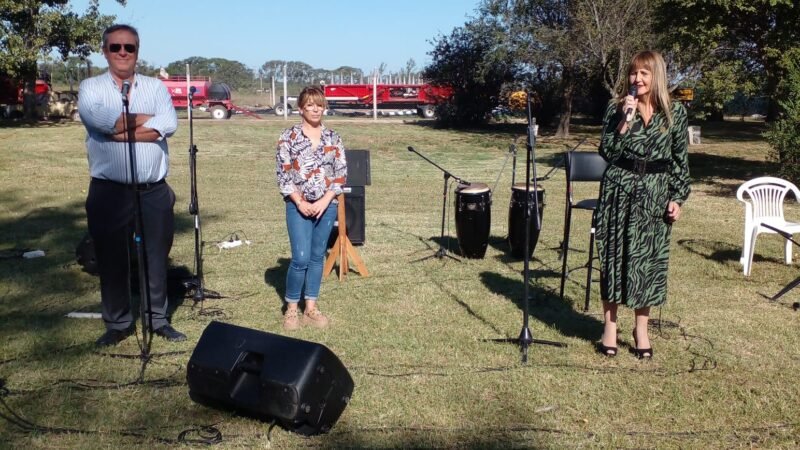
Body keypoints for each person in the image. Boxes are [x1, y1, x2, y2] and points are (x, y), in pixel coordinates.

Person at [78, 24, 185, 347]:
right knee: (112, 259)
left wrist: (120, 127)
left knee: (156, 256)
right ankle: (119, 322)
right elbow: (100, 122)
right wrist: (141, 121)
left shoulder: (156, 87)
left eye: (129, 47)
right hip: (109, 191)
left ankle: (157, 319)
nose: (123, 53)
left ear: (137, 51)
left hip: (153, 190)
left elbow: (167, 123)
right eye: (115, 47)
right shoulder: (91, 87)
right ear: (105, 51)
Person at [595, 50, 691, 359]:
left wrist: (677, 197)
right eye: (633, 73)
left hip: (655, 193)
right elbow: (608, 151)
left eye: (644, 74)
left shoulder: (674, 113)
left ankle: (641, 330)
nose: (637, 79)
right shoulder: (616, 108)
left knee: (647, 263)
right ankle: (609, 327)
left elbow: (679, 160)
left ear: (656, 76)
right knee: (614, 257)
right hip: (619, 189)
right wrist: (625, 118)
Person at [275, 87, 347, 331]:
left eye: (320, 105)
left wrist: (325, 201)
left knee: (317, 257)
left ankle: (311, 308)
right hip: (298, 206)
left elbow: (340, 175)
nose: (316, 109)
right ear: (301, 109)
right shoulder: (288, 137)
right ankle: (291, 309)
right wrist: (300, 202)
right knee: (300, 258)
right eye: (310, 105)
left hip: (326, 206)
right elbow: (284, 176)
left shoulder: (334, 138)